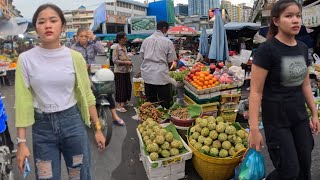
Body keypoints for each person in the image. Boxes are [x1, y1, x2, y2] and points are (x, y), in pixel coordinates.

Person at [15, 4, 106, 180]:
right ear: (36, 28)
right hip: (42, 129)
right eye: (42, 22)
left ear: (62, 26)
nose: (48, 25)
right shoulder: (25, 59)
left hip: (72, 124)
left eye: (53, 20)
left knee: (79, 175)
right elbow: (22, 101)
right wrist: (22, 143)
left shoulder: (75, 57)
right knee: (46, 176)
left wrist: (98, 129)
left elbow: (87, 95)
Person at [249, 1, 320, 179]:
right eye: (289, 16)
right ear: (276, 21)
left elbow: (304, 85)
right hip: (276, 121)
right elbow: (255, 92)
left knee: (305, 168)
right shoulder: (267, 50)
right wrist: (254, 129)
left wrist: (314, 113)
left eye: (298, 16)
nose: (295, 20)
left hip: (299, 118)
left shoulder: (303, 49)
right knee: (289, 171)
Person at [72, 28, 125, 125]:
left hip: (94, 71)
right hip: (81, 74)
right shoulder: (73, 48)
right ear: (77, 37)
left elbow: (102, 50)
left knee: (106, 89)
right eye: (81, 36)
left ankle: (114, 115)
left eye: (86, 36)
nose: (84, 38)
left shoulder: (92, 44)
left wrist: (94, 38)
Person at [140, 21, 177, 109]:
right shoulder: (168, 42)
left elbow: (142, 56)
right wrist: (168, 68)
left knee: (150, 101)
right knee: (164, 101)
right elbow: (171, 60)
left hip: (148, 74)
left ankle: (150, 119)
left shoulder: (146, 40)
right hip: (161, 74)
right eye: (167, 30)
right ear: (164, 28)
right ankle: (164, 119)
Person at [112, 32, 133, 112]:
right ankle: (119, 106)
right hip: (119, 71)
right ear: (119, 39)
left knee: (127, 87)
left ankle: (125, 103)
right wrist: (126, 62)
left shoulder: (124, 47)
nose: (126, 40)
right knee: (121, 88)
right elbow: (115, 60)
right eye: (124, 38)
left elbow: (125, 57)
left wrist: (129, 61)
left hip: (126, 70)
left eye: (126, 38)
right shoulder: (116, 48)